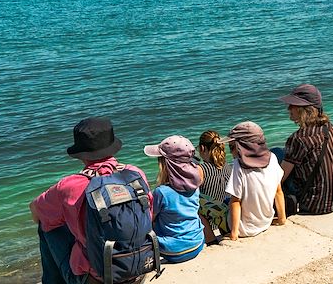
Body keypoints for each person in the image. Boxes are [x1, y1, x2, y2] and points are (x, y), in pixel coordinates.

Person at [30, 117, 152, 284]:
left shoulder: (69, 185)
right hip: (140, 268)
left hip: (96, 278)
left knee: (46, 227)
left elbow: (36, 211)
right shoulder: (135, 174)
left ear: (81, 154)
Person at [276, 84, 333, 216]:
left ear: (305, 110)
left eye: (293, 105)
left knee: (275, 154)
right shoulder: (329, 128)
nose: (288, 108)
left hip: (312, 204)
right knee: (283, 153)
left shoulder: (299, 138)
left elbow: (279, 178)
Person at [143, 135, 206, 263]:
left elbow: (150, 219)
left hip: (173, 251)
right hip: (197, 243)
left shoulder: (162, 192)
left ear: (167, 164)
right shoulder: (195, 184)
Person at [223, 121, 286, 240]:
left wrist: (234, 234)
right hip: (265, 222)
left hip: (245, 229)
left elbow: (236, 202)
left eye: (232, 147)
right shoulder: (272, 158)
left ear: (242, 147)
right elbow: (278, 191)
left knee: (220, 204)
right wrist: (282, 219)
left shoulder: (239, 166)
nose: (231, 152)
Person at [196, 130, 232, 243]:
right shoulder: (229, 166)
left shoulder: (201, 169)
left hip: (211, 222)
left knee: (195, 202)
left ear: (202, 148)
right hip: (228, 216)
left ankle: (210, 239)